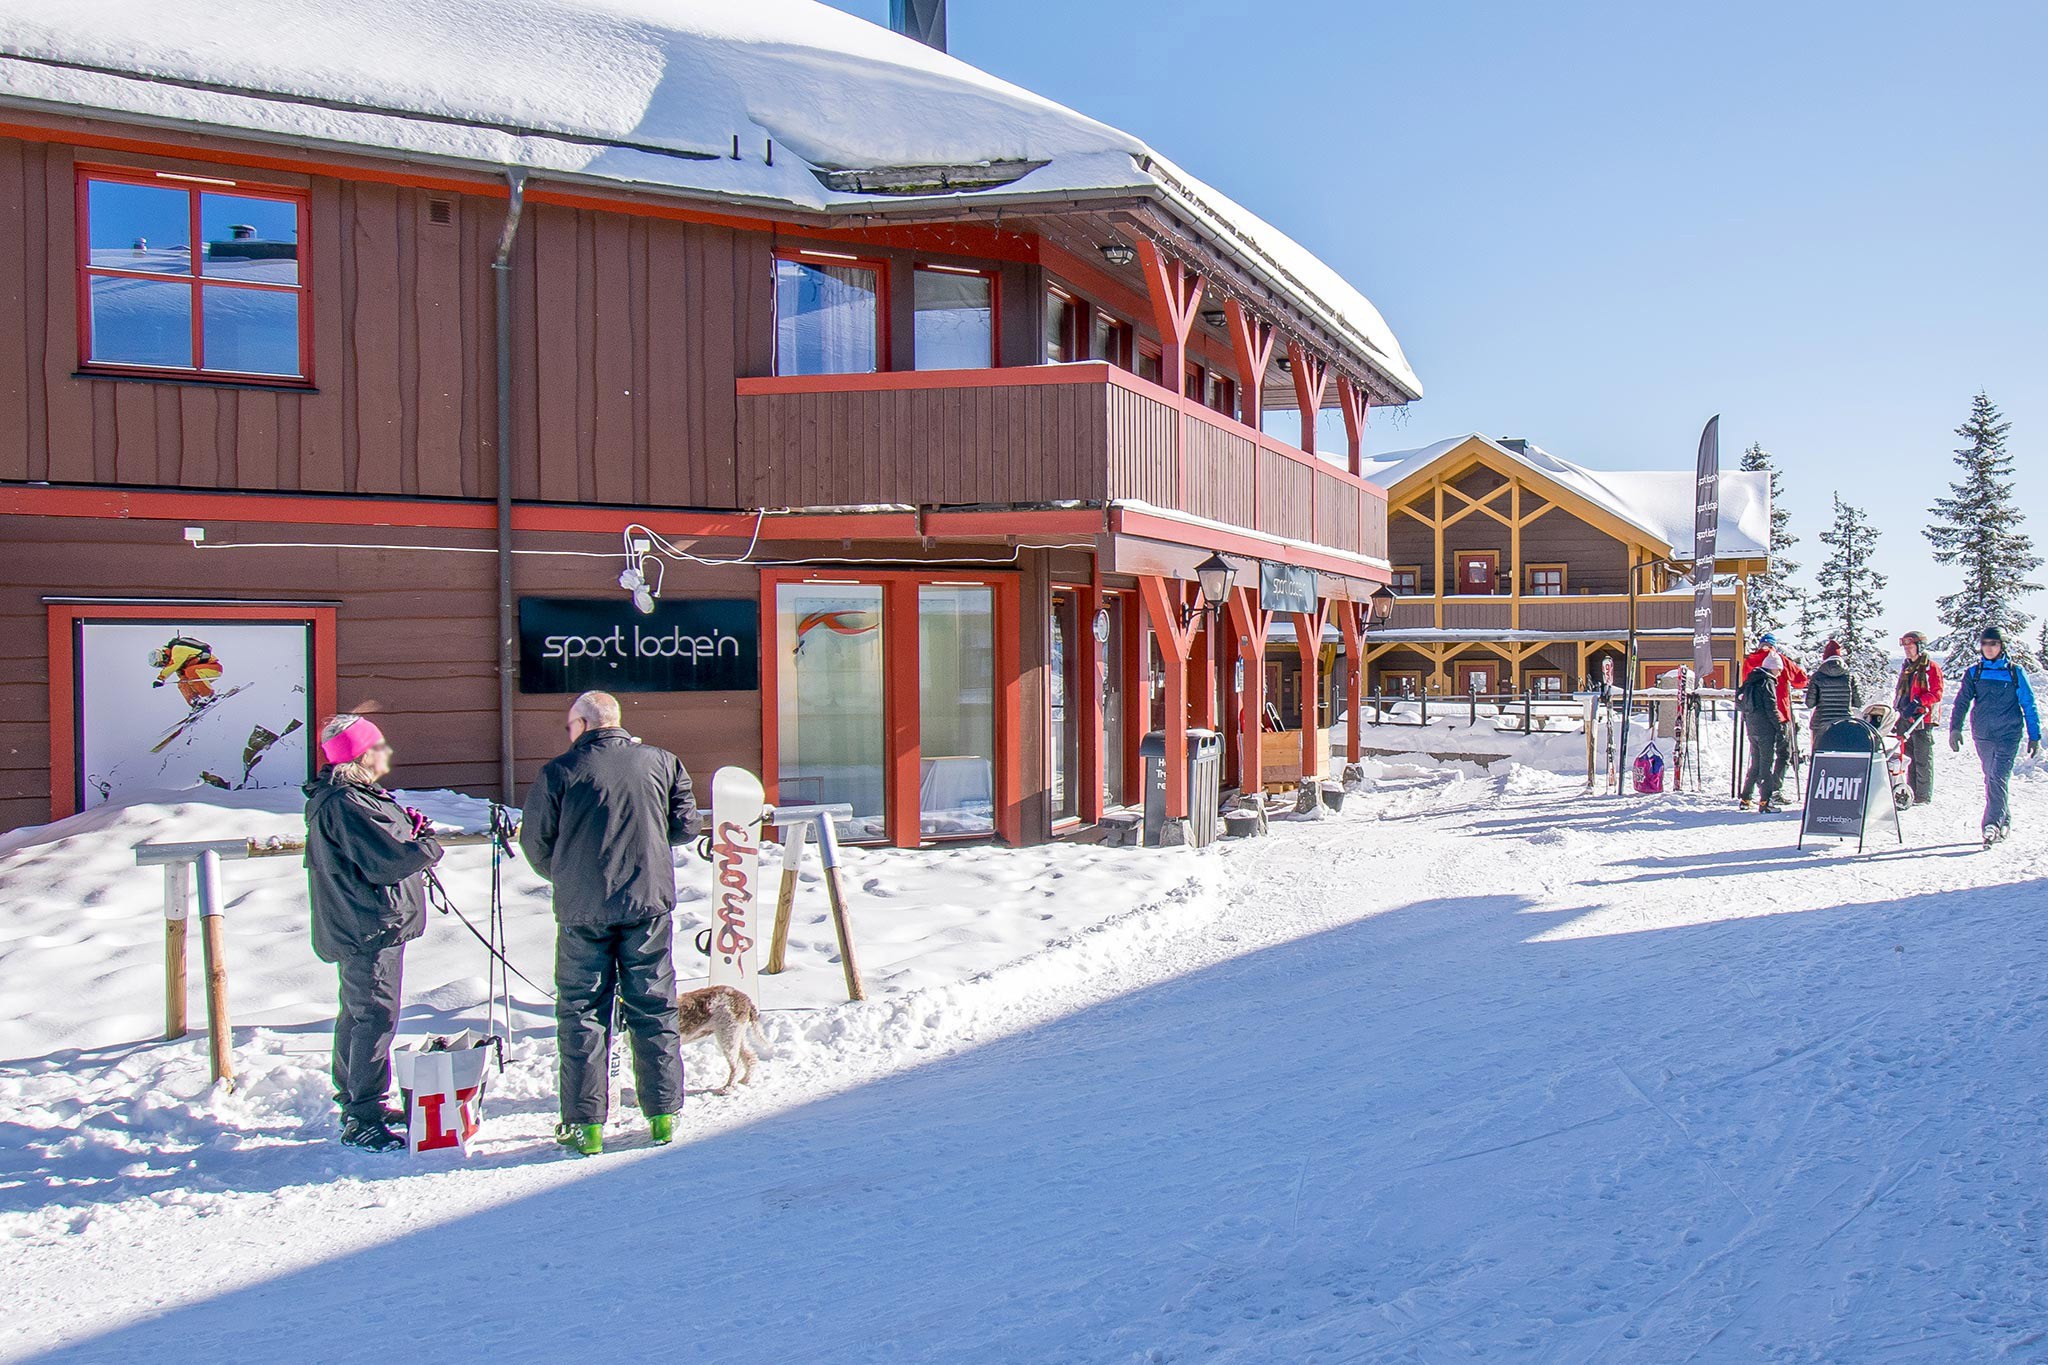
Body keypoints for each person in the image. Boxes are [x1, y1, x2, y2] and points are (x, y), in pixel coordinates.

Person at [520, 690, 699, 1156]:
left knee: (582, 1012)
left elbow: (536, 843)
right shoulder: (662, 761)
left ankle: (586, 1125)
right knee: (653, 1005)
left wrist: (571, 872)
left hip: (583, 910)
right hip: (647, 903)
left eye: (570, 726)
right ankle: (662, 1115)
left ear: (582, 724)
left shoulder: (559, 772)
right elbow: (685, 826)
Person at [304, 714, 444, 1153]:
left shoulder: (348, 799)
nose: (387, 752)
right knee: (374, 1017)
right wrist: (426, 844)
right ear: (362, 756)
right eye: (379, 745)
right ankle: (362, 1115)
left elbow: (382, 843)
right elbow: (388, 860)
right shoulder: (348, 803)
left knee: (358, 1014)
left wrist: (407, 829)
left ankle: (358, 1102)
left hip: (363, 921)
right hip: (368, 924)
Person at [1948, 626, 2041, 844]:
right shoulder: (1975, 673)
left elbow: (2028, 704)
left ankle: (1991, 825)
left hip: (2008, 733)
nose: (1989, 648)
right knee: (1991, 777)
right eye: (1985, 643)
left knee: (1998, 777)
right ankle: (2003, 819)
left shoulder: (2015, 672)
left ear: (2002, 646)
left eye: (1994, 644)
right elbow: (1962, 702)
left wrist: (2034, 735)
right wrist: (1955, 728)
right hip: (1983, 734)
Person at [1893, 629, 1945, 806]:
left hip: (1922, 718)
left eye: (1911, 646)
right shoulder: (1907, 668)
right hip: (1905, 716)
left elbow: (1937, 693)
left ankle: (1923, 796)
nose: (1907, 650)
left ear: (1920, 646)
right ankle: (1912, 792)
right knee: (1909, 757)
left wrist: (1919, 702)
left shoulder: (1930, 668)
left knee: (1922, 757)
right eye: (1905, 647)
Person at [1738, 651, 1790, 812]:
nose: (1779, 673)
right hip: (1765, 729)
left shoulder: (1751, 680)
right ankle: (1765, 802)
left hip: (1752, 727)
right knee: (1766, 765)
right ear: (1773, 668)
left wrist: (1749, 717)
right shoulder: (1767, 682)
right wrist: (1779, 727)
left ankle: (1745, 798)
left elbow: (1739, 701)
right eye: (1779, 669)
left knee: (1755, 763)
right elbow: (1771, 707)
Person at [1804, 640, 1863, 748]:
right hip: (1844, 722)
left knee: (1819, 753)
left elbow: (1810, 703)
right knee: (1842, 753)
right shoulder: (1849, 677)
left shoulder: (1817, 676)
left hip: (1821, 723)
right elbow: (1858, 703)